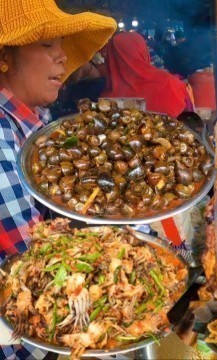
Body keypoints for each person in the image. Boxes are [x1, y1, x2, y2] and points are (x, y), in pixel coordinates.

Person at [0, 1, 115, 359]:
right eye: (47, 45)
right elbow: (34, 258)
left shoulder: (37, 120)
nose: (63, 57)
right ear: (5, 56)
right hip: (28, 343)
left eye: (62, 44)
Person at [102, 32, 193, 118]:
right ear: (143, 50)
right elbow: (192, 122)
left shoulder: (105, 100)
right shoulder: (170, 83)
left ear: (110, 57)